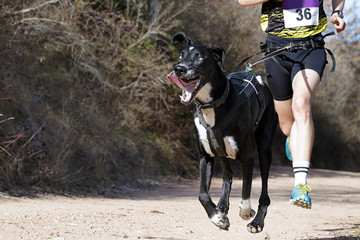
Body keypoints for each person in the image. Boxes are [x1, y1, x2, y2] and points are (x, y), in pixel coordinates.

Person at [238, 0, 346, 209]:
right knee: (287, 126)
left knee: (301, 103)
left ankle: (301, 185)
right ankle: (294, 137)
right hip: (276, 52)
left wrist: (337, 13)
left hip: (311, 48)